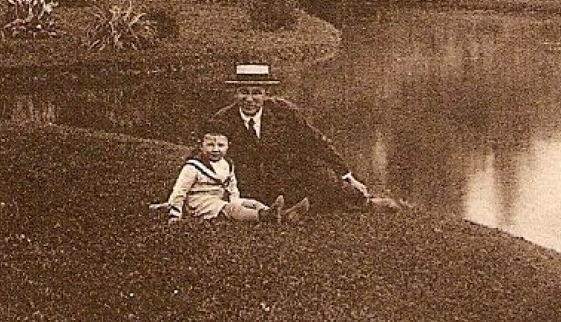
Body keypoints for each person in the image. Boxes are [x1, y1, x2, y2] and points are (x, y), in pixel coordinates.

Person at [206, 61, 401, 213]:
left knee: (322, 177)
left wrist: (347, 175)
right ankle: (285, 211)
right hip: (246, 183)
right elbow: (204, 154)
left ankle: (363, 203)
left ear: (267, 93)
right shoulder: (222, 119)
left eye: (256, 93)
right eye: (243, 92)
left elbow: (315, 141)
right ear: (235, 93)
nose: (249, 99)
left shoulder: (283, 111)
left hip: (284, 176)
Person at [151, 128, 310, 224]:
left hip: (221, 198)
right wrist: (175, 214)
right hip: (200, 203)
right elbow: (179, 191)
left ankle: (279, 214)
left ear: (228, 146)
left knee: (251, 202)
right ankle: (266, 216)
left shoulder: (227, 164)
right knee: (232, 209)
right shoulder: (193, 166)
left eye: (220, 145)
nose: (215, 149)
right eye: (210, 145)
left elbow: (232, 187)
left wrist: (239, 201)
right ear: (201, 146)